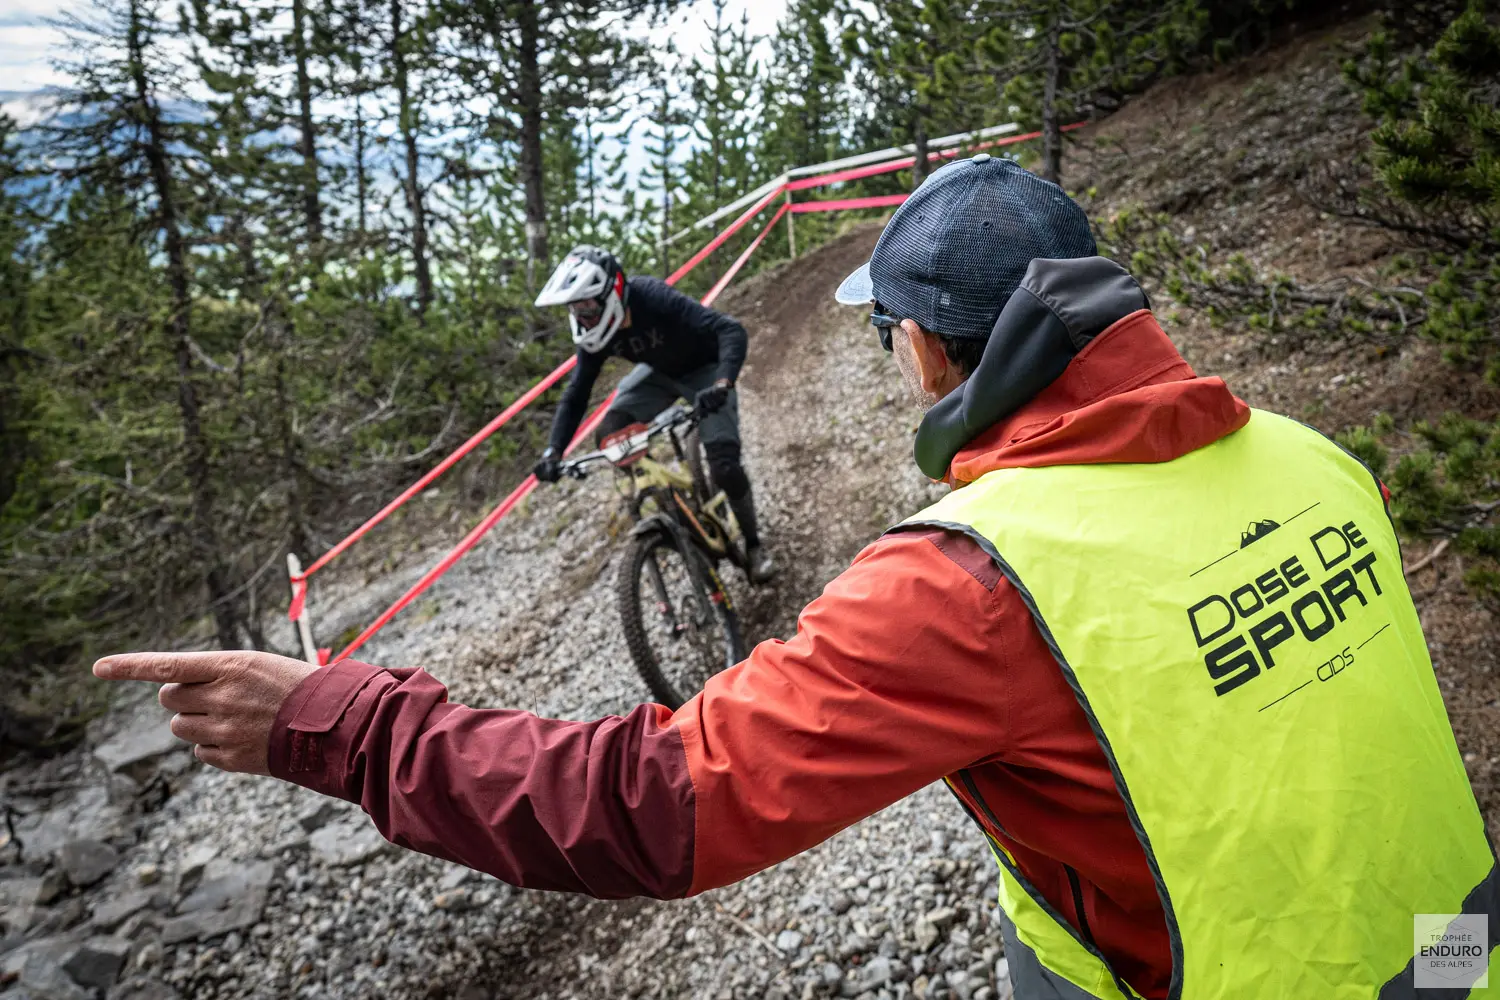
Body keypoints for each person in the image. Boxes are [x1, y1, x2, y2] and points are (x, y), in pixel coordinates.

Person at [96, 157, 1497, 999]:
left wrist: (341, 719)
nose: (890, 359)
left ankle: (741, 538)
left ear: (937, 354)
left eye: (887, 332)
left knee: (713, 444)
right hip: (1457, 954)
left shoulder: (980, 579)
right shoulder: (1310, 456)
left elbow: (645, 806)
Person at [530, 246, 775, 583]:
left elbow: (730, 330)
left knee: (724, 466)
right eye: (575, 308)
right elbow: (576, 394)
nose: (582, 316)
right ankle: (671, 505)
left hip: (705, 370)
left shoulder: (650, 296)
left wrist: (722, 383)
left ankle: (753, 545)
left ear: (612, 292)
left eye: (586, 306)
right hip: (658, 375)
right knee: (610, 432)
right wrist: (553, 451)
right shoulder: (596, 335)